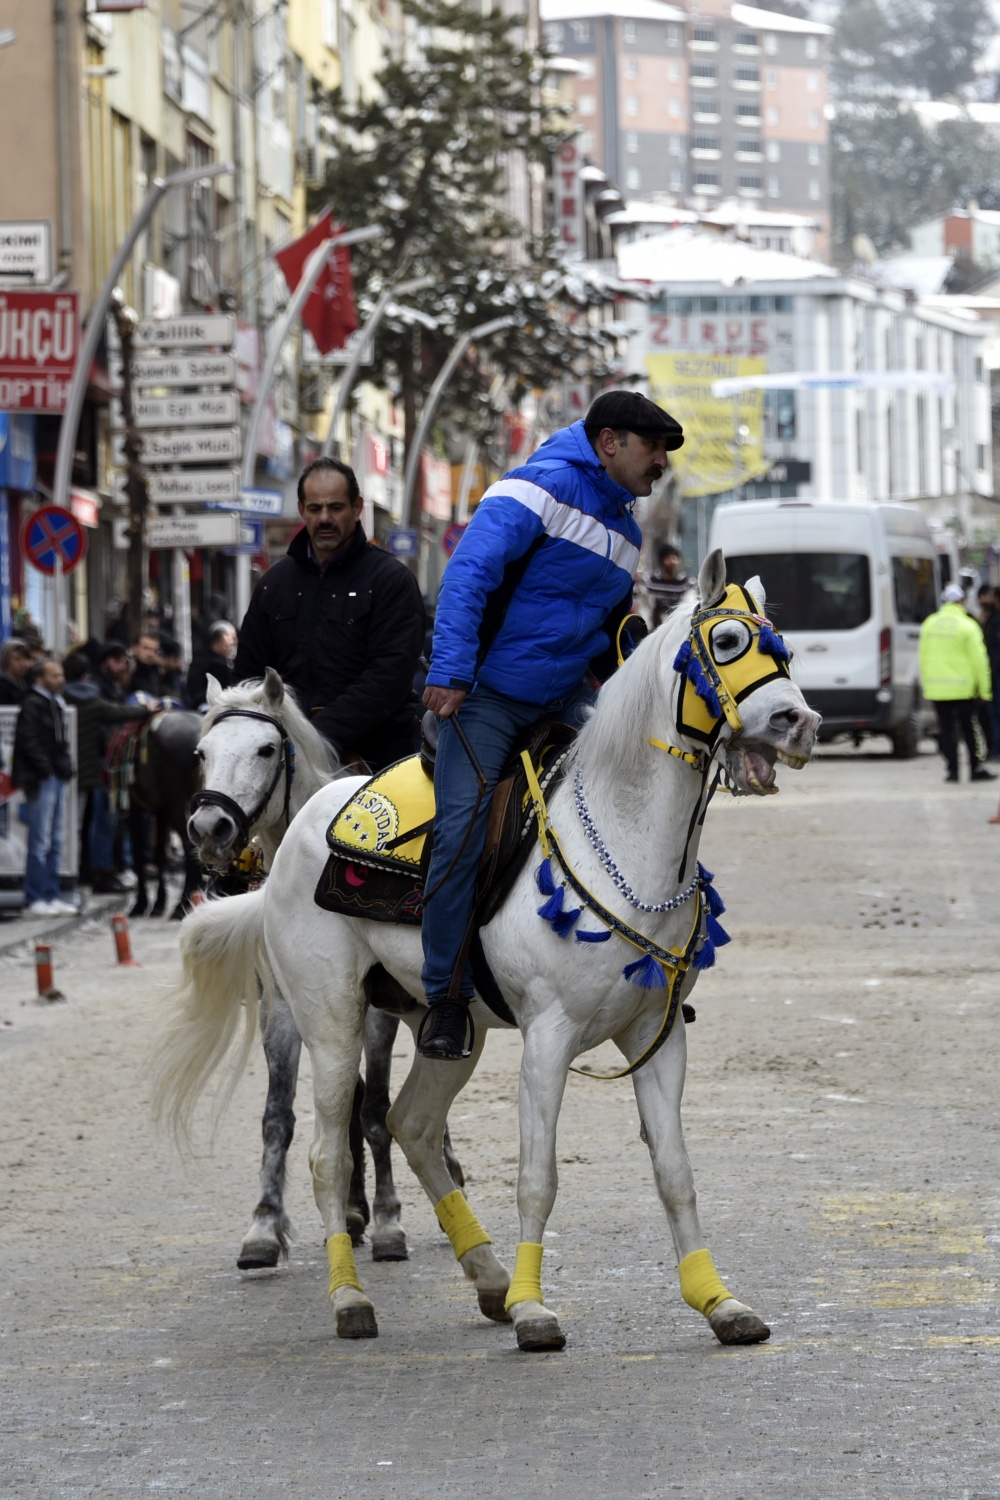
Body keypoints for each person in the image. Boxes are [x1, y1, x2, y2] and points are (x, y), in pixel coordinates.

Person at [418, 388, 684, 1060]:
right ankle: (445, 997)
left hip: (564, 696)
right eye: (653, 447)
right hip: (486, 695)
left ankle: (652, 963)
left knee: (646, 782)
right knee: (461, 832)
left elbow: (611, 628)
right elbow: (467, 575)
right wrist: (450, 670)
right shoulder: (534, 487)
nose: (662, 461)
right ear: (609, 442)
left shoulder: (627, 529)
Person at [234, 456, 426, 769]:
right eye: (315, 508)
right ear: (302, 510)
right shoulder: (274, 583)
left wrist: (315, 737)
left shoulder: (390, 580)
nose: (324, 518)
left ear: (357, 507)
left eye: (335, 507)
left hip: (377, 759)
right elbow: (248, 675)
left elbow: (388, 677)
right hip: (286, 763)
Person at [61, 651, 152, 892]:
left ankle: (71, 873)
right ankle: (96, 872)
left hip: (62, 770)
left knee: (70, 826)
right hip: (93, 772)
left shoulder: (59, 698)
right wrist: (150, 707)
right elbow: (122, 713)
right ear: (86, 675)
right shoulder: (94, 701)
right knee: (99, 823)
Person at [11, 657, 76, 916]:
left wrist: (64, 766)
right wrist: (47, 769)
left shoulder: (54, 703)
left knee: (55, 839)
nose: (61, 680)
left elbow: (59, 742)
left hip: (54, 776)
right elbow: (28, 740)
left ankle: (51, 894)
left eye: (61, 675)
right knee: (40, 840)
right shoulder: (32, 703)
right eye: (55, 675)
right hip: (41, 779)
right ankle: (35, 896)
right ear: (40, 678)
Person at [919, 583, 996, 783]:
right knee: (970, 729)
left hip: (937, 688)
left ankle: (952, 770)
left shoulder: (929, 624)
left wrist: (927, 685)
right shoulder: (968, 626)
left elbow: (923, 657)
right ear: (961, 601)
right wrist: (985, 691)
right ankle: (975, 768)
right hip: (964, 688)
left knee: (946, 730)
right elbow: (980, 661)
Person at [187, 620, 238, 710]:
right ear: (216, 643)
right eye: (230, 637)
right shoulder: (203, 662)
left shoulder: (228, 663)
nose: (234, 642)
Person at [977, 583, 1000, 757]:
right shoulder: (990, 617)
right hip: (991, 673)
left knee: (995, 713)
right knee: (990, 714)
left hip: (995, 673)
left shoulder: (995, 619)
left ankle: (996, 749)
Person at [645, 543, 692, 626]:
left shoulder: (685, 582)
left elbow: (687, 605)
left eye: (674, 558)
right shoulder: (652, 581)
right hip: (655, 625)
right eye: (668, 558)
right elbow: (647, 606)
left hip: (677, 624)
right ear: (661, 561)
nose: (672, 562)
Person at [0, 638, 32, 706]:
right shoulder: (3, 686)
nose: (24, 663)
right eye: (18, 659)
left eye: (26, 658)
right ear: (7, 660)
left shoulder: (26, 683)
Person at [129, 632, 163, 697]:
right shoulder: (127, 670)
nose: (151, 654)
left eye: (155, 650)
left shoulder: (154, 670)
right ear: (134, 648)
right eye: (146, 648)